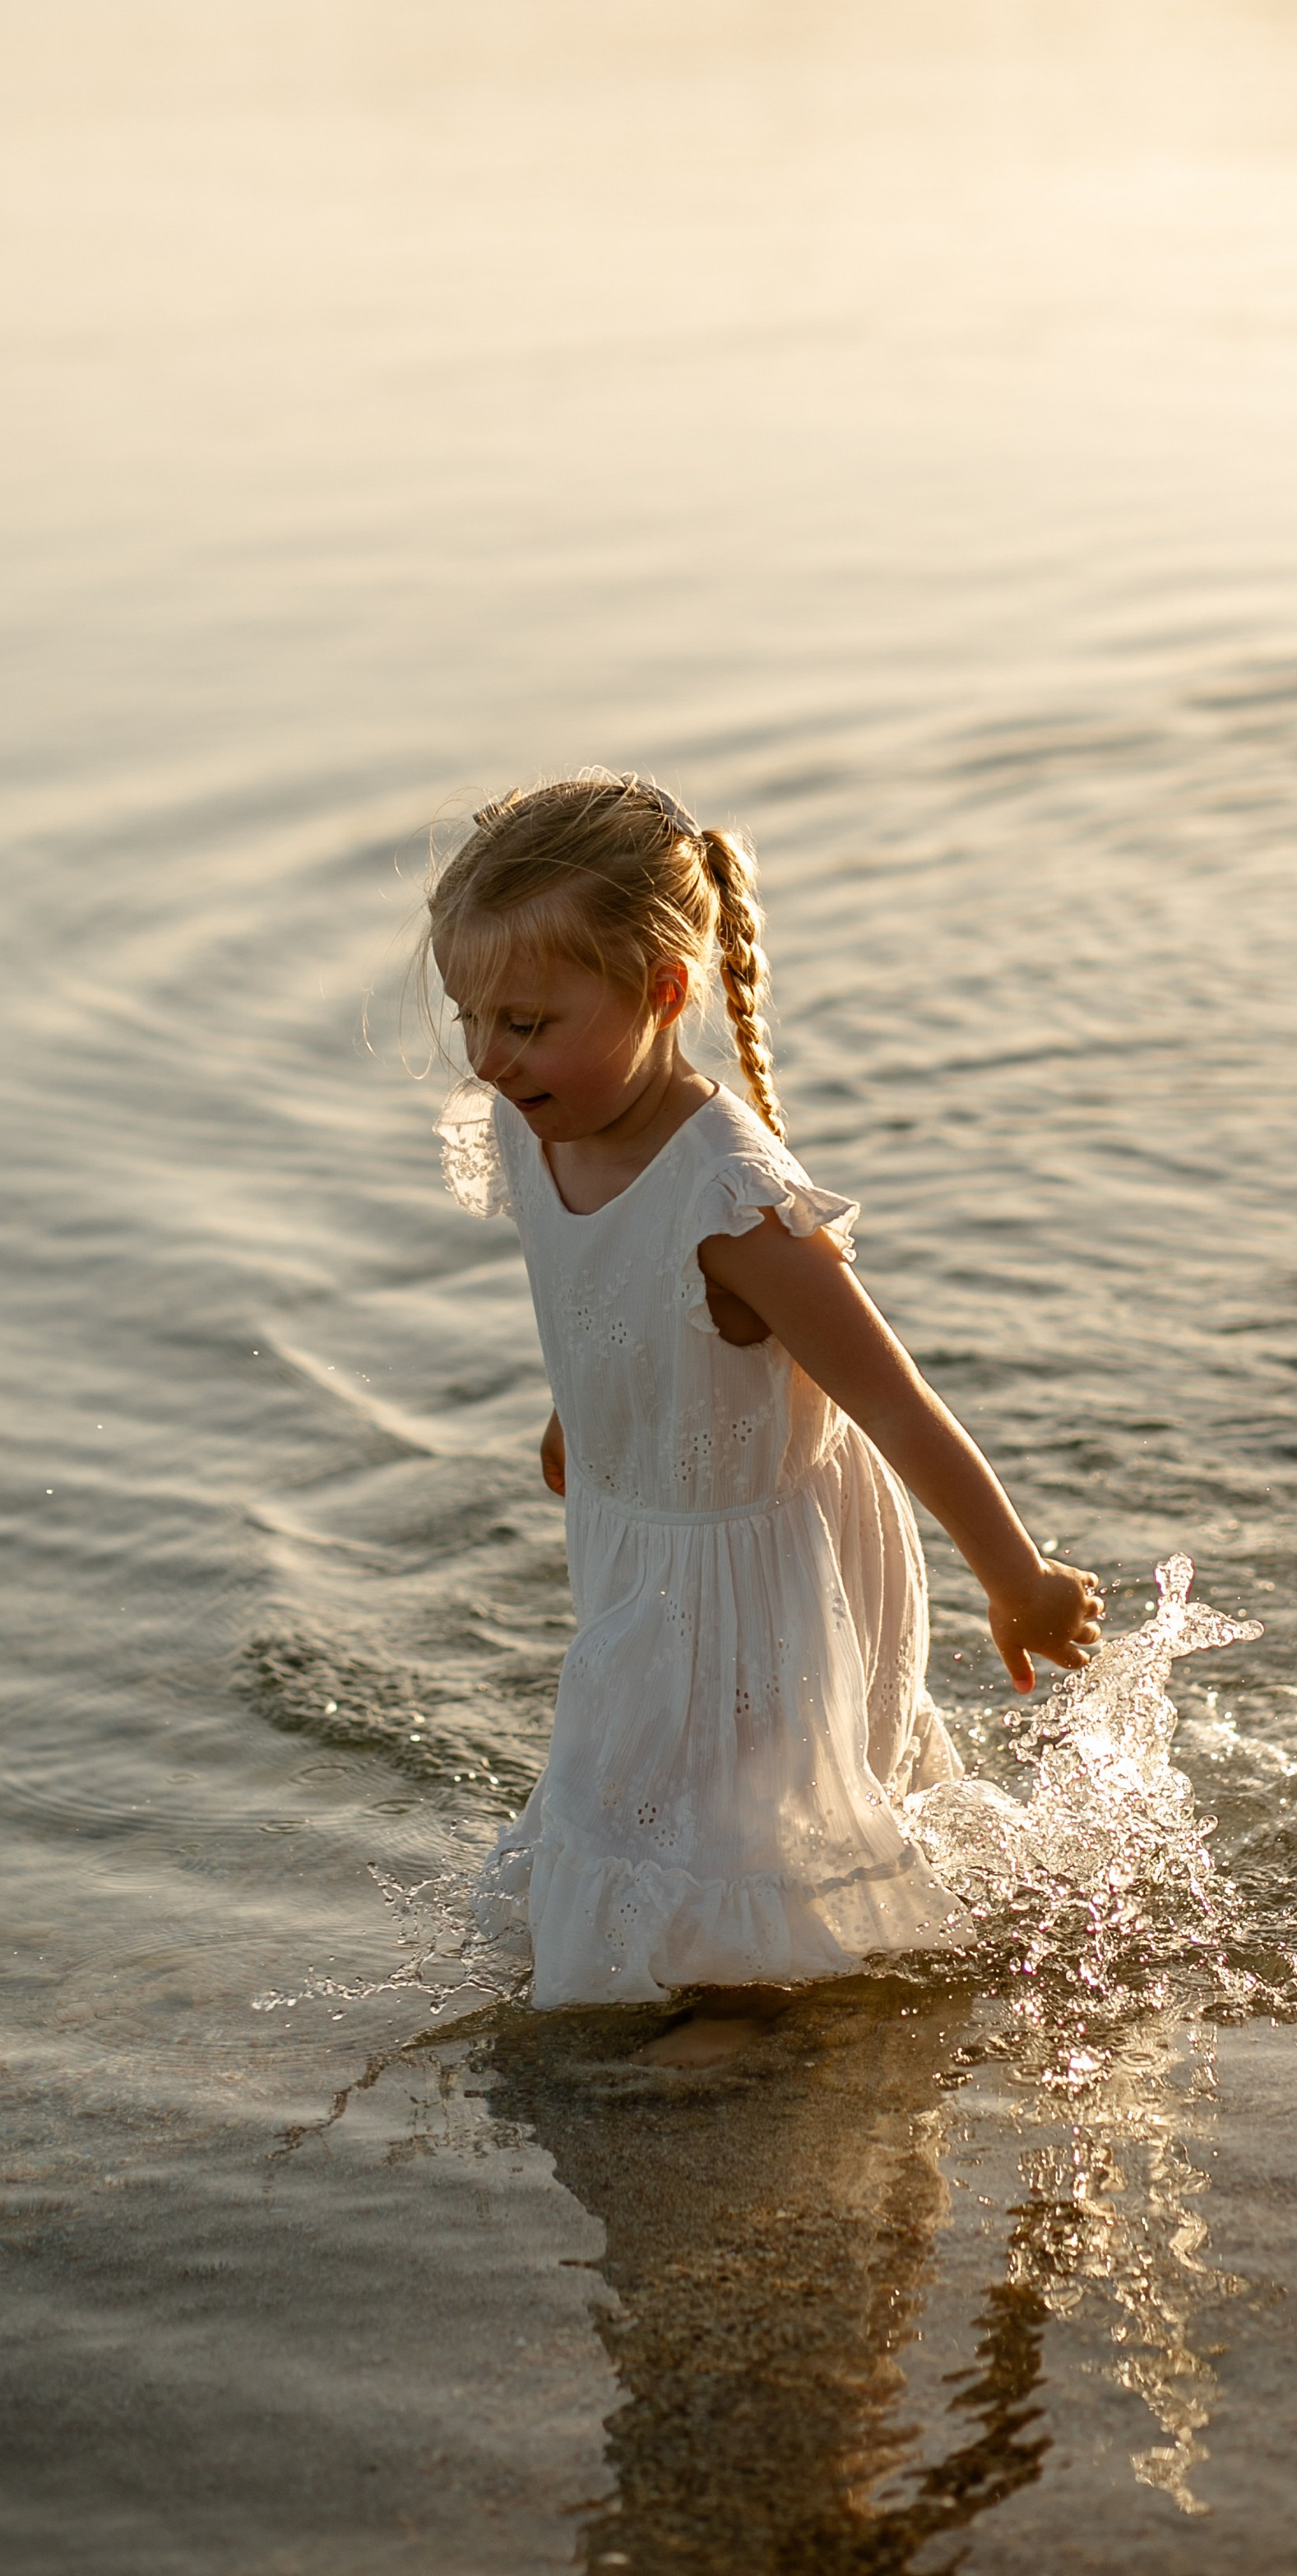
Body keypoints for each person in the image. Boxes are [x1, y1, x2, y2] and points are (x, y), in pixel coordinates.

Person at [424, 769, 1102, 2064]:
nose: (490, 1057)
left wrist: (1014, 1583)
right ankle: (742, 1976)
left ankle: (762, 2012)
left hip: (755, 1546)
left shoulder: (731, 1203)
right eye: (471, 1017)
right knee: (654, 1782)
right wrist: (590, 1411)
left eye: (526, 1019)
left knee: (738, 1804)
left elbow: (898, 1407)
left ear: (660, 993)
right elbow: (587, 1290)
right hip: (645, 1518)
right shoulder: (539, 1118)